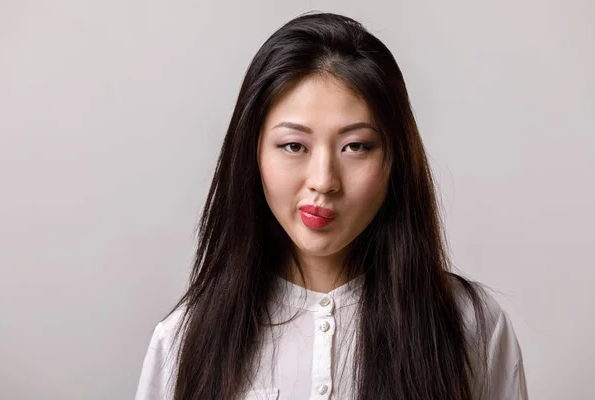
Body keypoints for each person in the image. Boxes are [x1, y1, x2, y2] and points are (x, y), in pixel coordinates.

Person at [135, 11, 528, 400]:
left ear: (396, 159)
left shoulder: (472, 327)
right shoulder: (184, 341)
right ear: (251, 153)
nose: (323, 180)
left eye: (355, 146)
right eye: (294, 146)